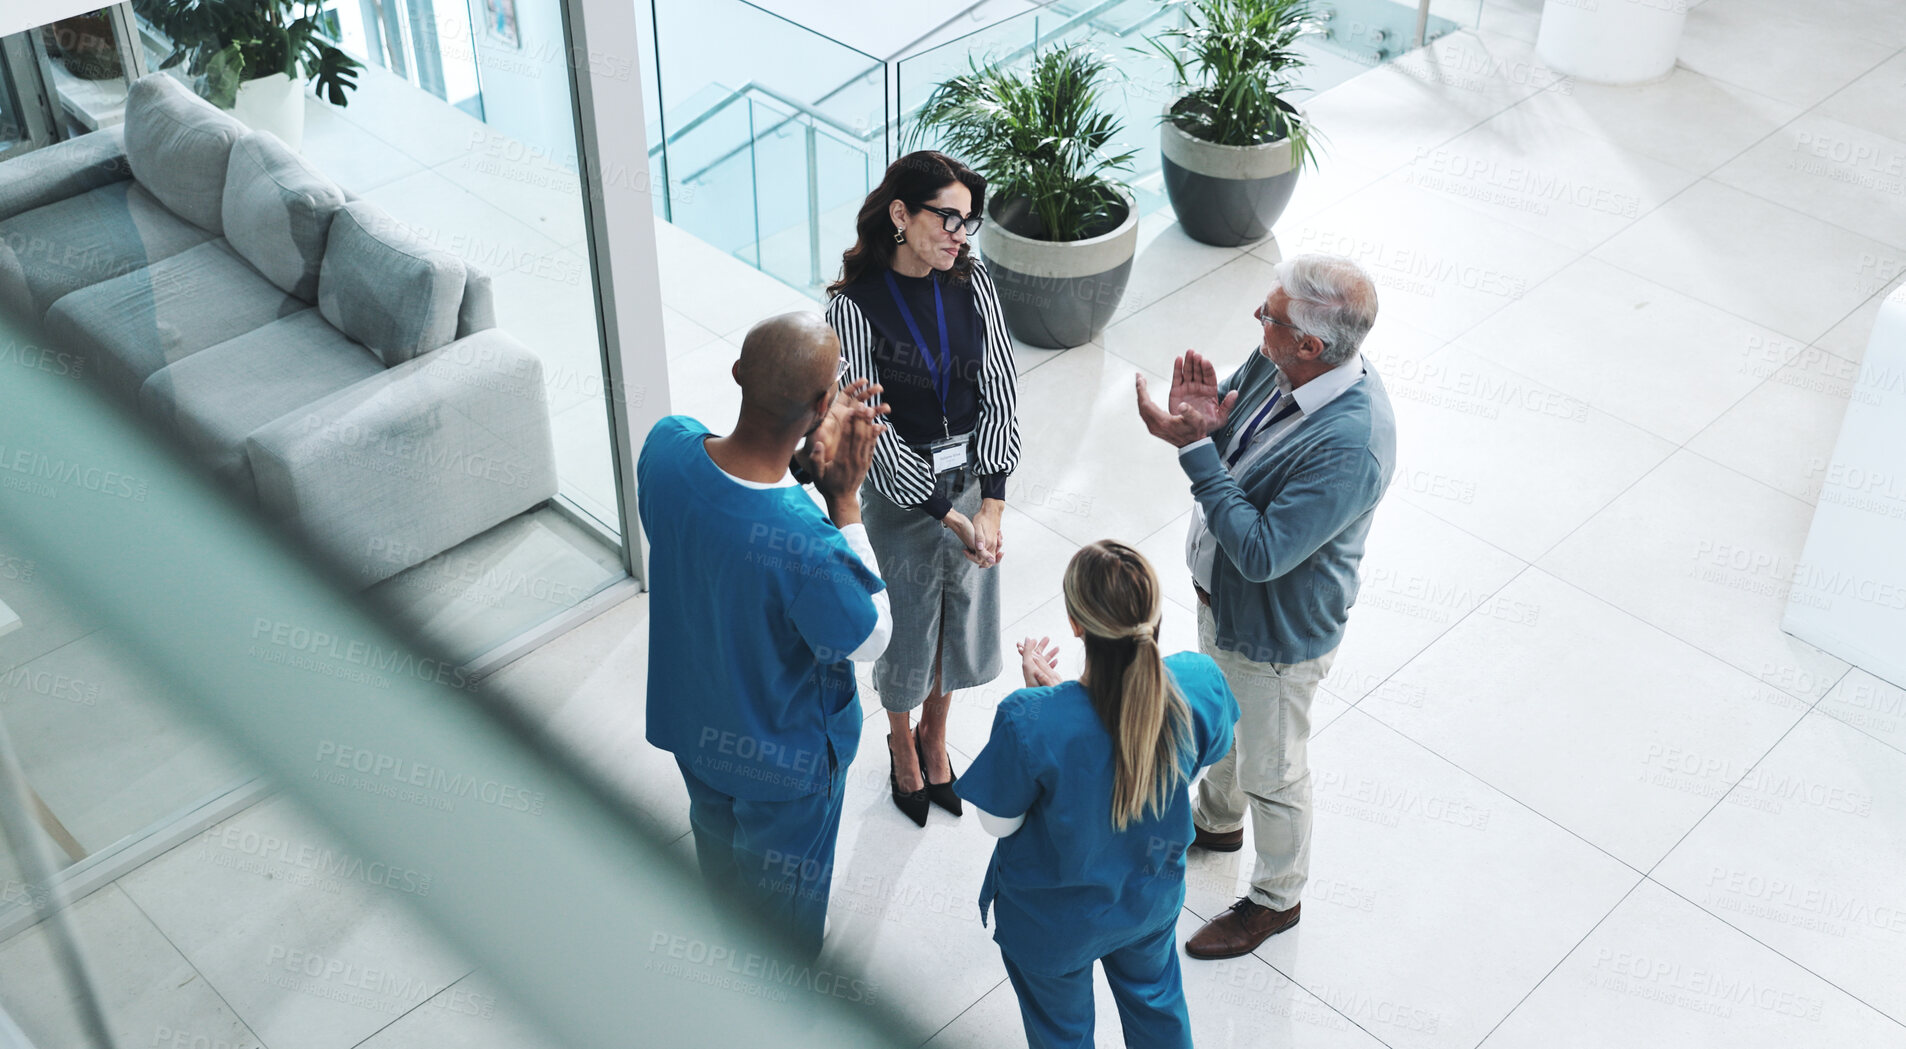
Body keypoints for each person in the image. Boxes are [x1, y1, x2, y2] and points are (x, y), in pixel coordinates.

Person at [1133, 254, 1396, 960]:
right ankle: (1217, 822)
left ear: (1312, 345)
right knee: (1223, 719)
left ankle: (1277, 899)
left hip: (1277, 634)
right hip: (1222, 602)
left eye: (1270, 317)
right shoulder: (1282, 363)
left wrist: (1196, 455)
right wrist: (1203, 421)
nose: (1259, 322)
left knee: (1273, 771)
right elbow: (1232, 425)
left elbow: (1259, 551)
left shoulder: (1352, 444)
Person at [637, 311, 892, 959]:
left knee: (721, 868)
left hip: (694, 726)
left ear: (738, 372)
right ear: (820, 405)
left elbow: (726, 514)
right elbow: (871, 636)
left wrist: (797, 462)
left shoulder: (665, 448)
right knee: (783, 927)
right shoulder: (809, 544)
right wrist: (844, 499)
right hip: (782, 768)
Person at [957, 541, 1238, 1049]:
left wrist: (1054, 701)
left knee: (1061, 1034)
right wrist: (1073, 702)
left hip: (1054, 923)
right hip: (1148, 902)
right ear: (1154, 615)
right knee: (1157, 1007)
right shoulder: (1198, 682)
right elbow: (1198, 752)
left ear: (1075, 624)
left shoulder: (1031, 720)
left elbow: (998, 823)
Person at [825, 150, 1021, 827]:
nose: (958, 235)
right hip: (903, 496)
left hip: (972, 483)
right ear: (902, 214)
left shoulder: (976, 280)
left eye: (968, 222)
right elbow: (872, 436)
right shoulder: (852, 307)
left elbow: (999, 390)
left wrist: (989, 505)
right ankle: (902, 741)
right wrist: (949, 516)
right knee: (908, 630)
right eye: (947, 218)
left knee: (960, 624)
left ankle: (937, 736)